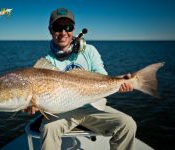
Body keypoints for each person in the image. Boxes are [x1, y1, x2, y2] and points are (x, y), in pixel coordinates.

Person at [25, 8, 136, 150]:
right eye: (58, 27)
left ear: (73, 29)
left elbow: (103, 77)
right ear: (50, 30)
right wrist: (33, 105)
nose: (63, 32)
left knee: (128, 124)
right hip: (63, 112)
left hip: (91, 107)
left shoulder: (89, 51)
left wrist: (120, 81)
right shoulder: (46, 62)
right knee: (48, 129)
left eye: (68, 27)